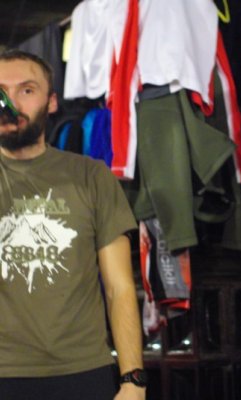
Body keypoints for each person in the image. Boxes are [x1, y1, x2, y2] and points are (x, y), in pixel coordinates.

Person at [0, 49, 145, 400]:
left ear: (51, 102)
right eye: (2, 92)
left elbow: (119, 288)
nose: (11, 103)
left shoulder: (91, 176)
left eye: (27, 90)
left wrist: (133, 380)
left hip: (83, 370)